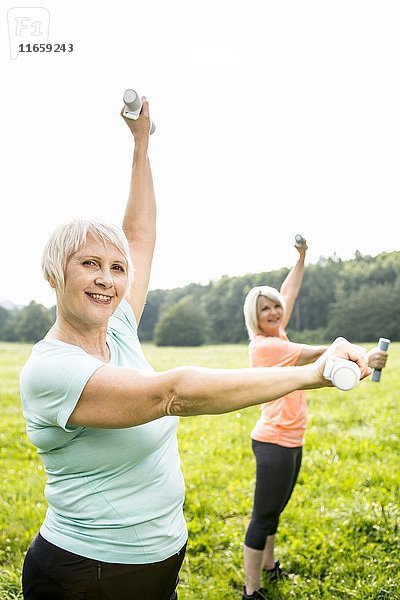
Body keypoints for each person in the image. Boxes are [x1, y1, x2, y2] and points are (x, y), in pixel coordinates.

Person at [20, 99, 371, 600]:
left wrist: (141, 143)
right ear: (56, 273)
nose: (106, 278)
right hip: (87, 572)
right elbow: (173, 395)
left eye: (116, 269)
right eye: (89, 264)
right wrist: (313, 372)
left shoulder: (117, 330)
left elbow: (138, 235)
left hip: (160, 558)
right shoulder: (50, 370)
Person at [241, 239, 388, 600]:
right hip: (273, 440)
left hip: (292, 438)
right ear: (254, 317)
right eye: (266, 309)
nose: (276, 312)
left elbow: (289, 290)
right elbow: (321, 356)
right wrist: (362, 355)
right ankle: (251, 590)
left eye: (277, 307)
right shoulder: (267, 346)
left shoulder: (277, 331)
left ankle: (270, 566)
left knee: (276, 510)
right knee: (263, 517)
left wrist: (301, 258)